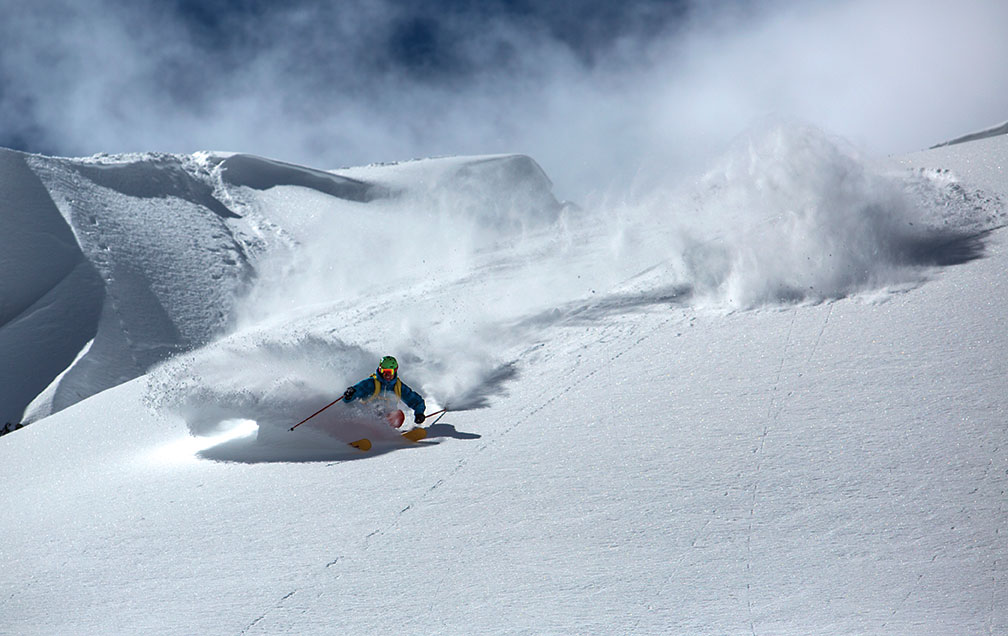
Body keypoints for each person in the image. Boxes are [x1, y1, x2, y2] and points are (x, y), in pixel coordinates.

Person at [342, 356, 426, 428]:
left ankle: (384, 433)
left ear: (395, 371)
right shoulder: (371, 383)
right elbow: (356, 392)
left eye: (390, 372)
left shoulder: (398, 387)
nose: (387, 375)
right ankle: (358, 431)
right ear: (380, 370)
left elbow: (416, 401)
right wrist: (349, 394)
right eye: (384, 372)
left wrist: (419, 413)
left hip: (386, 420)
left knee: (398, 415)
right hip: (366, 417)